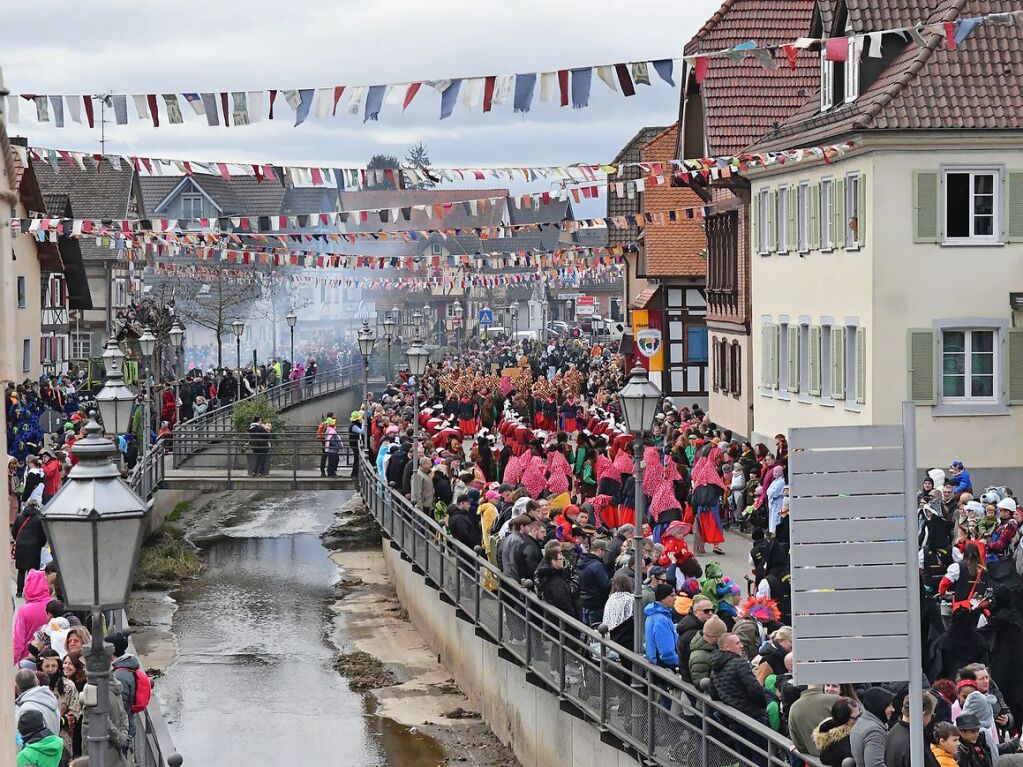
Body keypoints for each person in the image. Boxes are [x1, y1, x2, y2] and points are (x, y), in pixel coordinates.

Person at [708, 632, 769, 724]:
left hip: (730, 718)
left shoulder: (715, 667)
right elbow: (755, 690)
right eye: (737, 643)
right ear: (727, 647)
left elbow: (714, 694)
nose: (741, 646)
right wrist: (763, 706)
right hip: (752, 716)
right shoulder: (740, 663)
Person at [788, 684, 842, 758]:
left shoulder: (794, 707)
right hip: (840, 759)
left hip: (813, 760)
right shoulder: (837, 700)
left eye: (834, 686)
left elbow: (799, 745)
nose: (830, 689)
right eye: (828, 685)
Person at [885, 690, 936, 767]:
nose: (930, 720)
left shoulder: (893, 732)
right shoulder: (914, 743)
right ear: (923, 714)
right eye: (931, 715)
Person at [850, 687, 895, 767]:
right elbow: (875, 765)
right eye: (889, 705)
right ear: (879, 706)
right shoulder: (875, 732)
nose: (893, 709)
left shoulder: (861, 722)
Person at [12, 498, 47, 597]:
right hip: (34, 547)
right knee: (32, 572)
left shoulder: (19, 517)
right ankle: (31, 591)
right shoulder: (39, 518)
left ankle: (19, 591)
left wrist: (18, 540)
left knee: (21, 570)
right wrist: (40, 544)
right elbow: (43, 534)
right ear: (36, 506)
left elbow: (14, 531)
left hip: (21, 546)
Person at [14, 569, 51, 663]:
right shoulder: (53, 605)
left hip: (27, 660)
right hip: (49, 658)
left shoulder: (24, 611)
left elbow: (18, 641)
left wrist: (14, 662)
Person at [676, 596, 714, 684]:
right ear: (695, 612)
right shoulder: (692, 634)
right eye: (706, 611)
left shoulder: (695, 626)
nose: (710, 613)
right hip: (693, 684)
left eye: (712, 610)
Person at [813, 697, 860, 767]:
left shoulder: (827, 738)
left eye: (860, 714)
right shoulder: (848, 744)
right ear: (843, 719)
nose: (860, 720)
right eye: (855, 718)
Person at [14, 668, 61, 736]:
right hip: (55, 745)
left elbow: (23, 741)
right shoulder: (51, 700)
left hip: (38, 746)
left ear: (16, 688)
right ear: (38, 682)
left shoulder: (26, 710)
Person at [644, 583, 680, 671]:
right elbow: (666, 653)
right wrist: (682, 663)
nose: (675, 598)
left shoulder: (655, 614)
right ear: (662, 598)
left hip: (657, 664)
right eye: (672, 595)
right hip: (663, 667)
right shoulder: (661, 620)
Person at [577, 538, 611, 626]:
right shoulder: (597, 566)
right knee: (595, 631)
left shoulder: (582, 561)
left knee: (585, 630)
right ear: (600, 550)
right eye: (604, 551)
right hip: (596, 604)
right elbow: (605, 584)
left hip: (584, 601)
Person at [535, 546, 576, 617]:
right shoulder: (556, 582)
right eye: (560, 559)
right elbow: (564, 604)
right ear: (553, 562)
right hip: (560, 619)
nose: (563, 561)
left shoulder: (544, 575)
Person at [688, 614, 727, 689]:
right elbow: (700, 683)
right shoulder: (699, 657)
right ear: (713, 637)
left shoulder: (711, 649)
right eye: (721, 636)